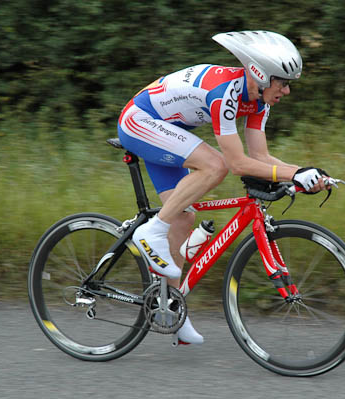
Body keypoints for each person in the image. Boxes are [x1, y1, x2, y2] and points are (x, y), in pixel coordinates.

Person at [117, 30, 329, 344]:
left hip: (167, 130)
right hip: (140, 121)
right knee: (215, 165)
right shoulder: (226, 94)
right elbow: (238, 163)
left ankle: (170, 309)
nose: (286, 90)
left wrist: (302, 174)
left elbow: (260, 156)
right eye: (282, 82)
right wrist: (294, 174)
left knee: (183, 219)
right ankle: (151, 230)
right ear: (260, 74)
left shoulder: (258, 100)